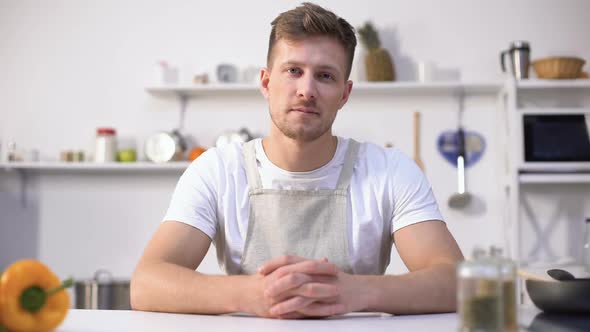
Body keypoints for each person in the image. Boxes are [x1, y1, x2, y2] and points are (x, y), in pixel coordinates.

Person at [131, 2, 463, 319]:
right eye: (293, 70)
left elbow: (456, 282)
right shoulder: (217, 170)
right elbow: (147, 283)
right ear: (266, 82)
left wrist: (357, 292)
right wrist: (249, 294)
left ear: (345, 94)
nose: (306, 89)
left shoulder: (390, 171)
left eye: (325, 76)